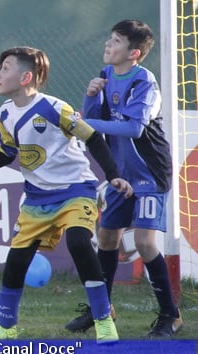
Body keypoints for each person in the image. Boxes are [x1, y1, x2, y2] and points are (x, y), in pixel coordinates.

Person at [0, 46, 132, 344]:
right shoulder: (5, 114)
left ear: (26, 77)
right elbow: (4, 154)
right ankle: (7, 327)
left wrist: (113, 175)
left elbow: (92, 137)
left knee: (78, 241)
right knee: (16, 261)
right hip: (37, 199)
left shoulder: (54, 108)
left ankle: (103, 319)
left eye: (5, 67)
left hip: (76, 190)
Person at [64, 20, 183, 337]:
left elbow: (134, 129)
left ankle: (170, 315)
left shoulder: (145, 82)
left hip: (149, 173)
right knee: (106, 238)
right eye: (109, 38)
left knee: (144, 242)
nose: (108, 44)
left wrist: (85, 123)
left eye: (115, 41)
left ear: (134, 53)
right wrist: (91, 98)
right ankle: (101, 310)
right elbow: (97, 119)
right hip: (120, 175)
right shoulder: (105, 76)